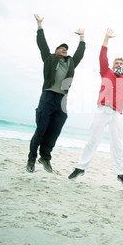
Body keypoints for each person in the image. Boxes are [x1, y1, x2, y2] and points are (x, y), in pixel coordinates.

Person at [68, 28, 123, 189]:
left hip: (117, 113)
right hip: (102, 109)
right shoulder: (106, 72)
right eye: (116, 63)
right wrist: (106, 38)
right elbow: (102, 56)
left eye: (121, 63)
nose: (118, 64)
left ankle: (121, 174)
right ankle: (80, 168)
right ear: (112, 65)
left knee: (118, 144)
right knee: (92, 140)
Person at [26, 14, 86, 173]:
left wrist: (82, 38)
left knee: (55, 130)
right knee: (41, 129)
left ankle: (45, 157)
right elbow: (42, 44)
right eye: (61, 48)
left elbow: (80, 53)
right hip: (48, 97)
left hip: (62, 100)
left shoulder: (71, 63)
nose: (64, 49)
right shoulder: (49, 59)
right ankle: (31, 159)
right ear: (56, 51)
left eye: (66, 48)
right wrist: (39, 26)